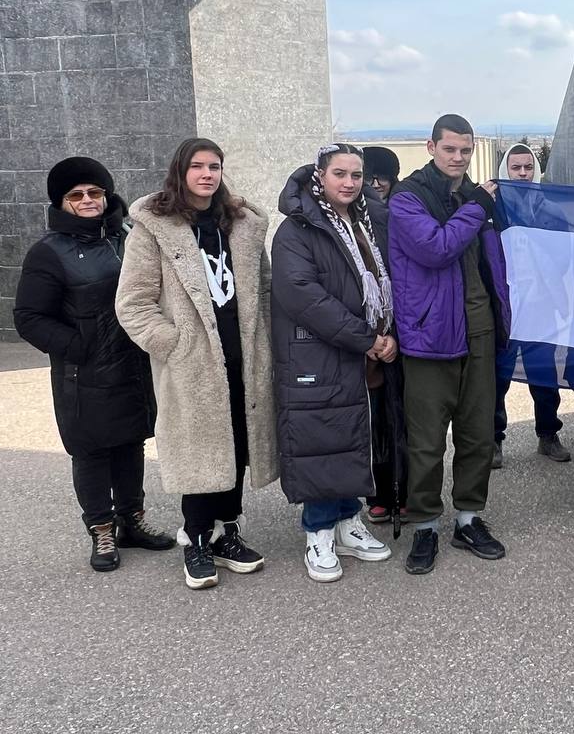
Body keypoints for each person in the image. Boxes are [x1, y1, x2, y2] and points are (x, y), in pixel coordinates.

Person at [115, 138, 277, 590]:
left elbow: (264, 289)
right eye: (198, 166)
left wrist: (263, 340)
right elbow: (132, 303)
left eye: (215, 166)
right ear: (180, 171)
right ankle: (197, 538)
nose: (207, 174)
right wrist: (173, 344)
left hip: (242, 356)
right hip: (193, 364)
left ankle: (228, 533)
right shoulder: (155, 227)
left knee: (237, 445)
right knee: (200, 451)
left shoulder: (240, 224)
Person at [14, 157, 175, 572]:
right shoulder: (48, 252)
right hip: (83, 372)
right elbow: (29, 317)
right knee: (91, 450)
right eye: (76, 195)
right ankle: (102, 528)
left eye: (95, 192)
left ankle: (132, 520)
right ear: (62, 202)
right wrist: (79, 346)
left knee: (131, 442)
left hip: (133, 364)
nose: (87, 200)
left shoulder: (128, 238)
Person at [389, 114, 511, 575]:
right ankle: (424, 525)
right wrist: (478, 206)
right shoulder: (408, 197)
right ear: (431, 147)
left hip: (480, 329)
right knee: (426, 441)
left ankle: (468, 519)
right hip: (429, 334)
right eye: (450, 149)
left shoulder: (476, 196)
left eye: (465, 150)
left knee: (477, 434)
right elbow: (435, 248)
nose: (458, 157)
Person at [272, 145, 399, 583]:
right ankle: (319, 532)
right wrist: (367, 339)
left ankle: (347, 521)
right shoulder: (297, 229)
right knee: (323, 438)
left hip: (365, 353)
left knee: (353, 437)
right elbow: (303, 296)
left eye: (356, 175)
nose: (349, 183)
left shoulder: (366, 222)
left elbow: (387, 281)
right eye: (339, 174)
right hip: (321, 352)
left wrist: (388, 336)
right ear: (320, 176)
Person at [493, 143, 569, 467]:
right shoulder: (492, 206)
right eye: (516, 168)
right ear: (505, 170)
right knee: (497, 378)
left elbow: (564, 254)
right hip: (504, 308)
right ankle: (494, 440)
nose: (522, 173)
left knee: (544, 375)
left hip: (540, 305)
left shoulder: (549, 208)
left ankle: (548, 435)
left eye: (527, 167)